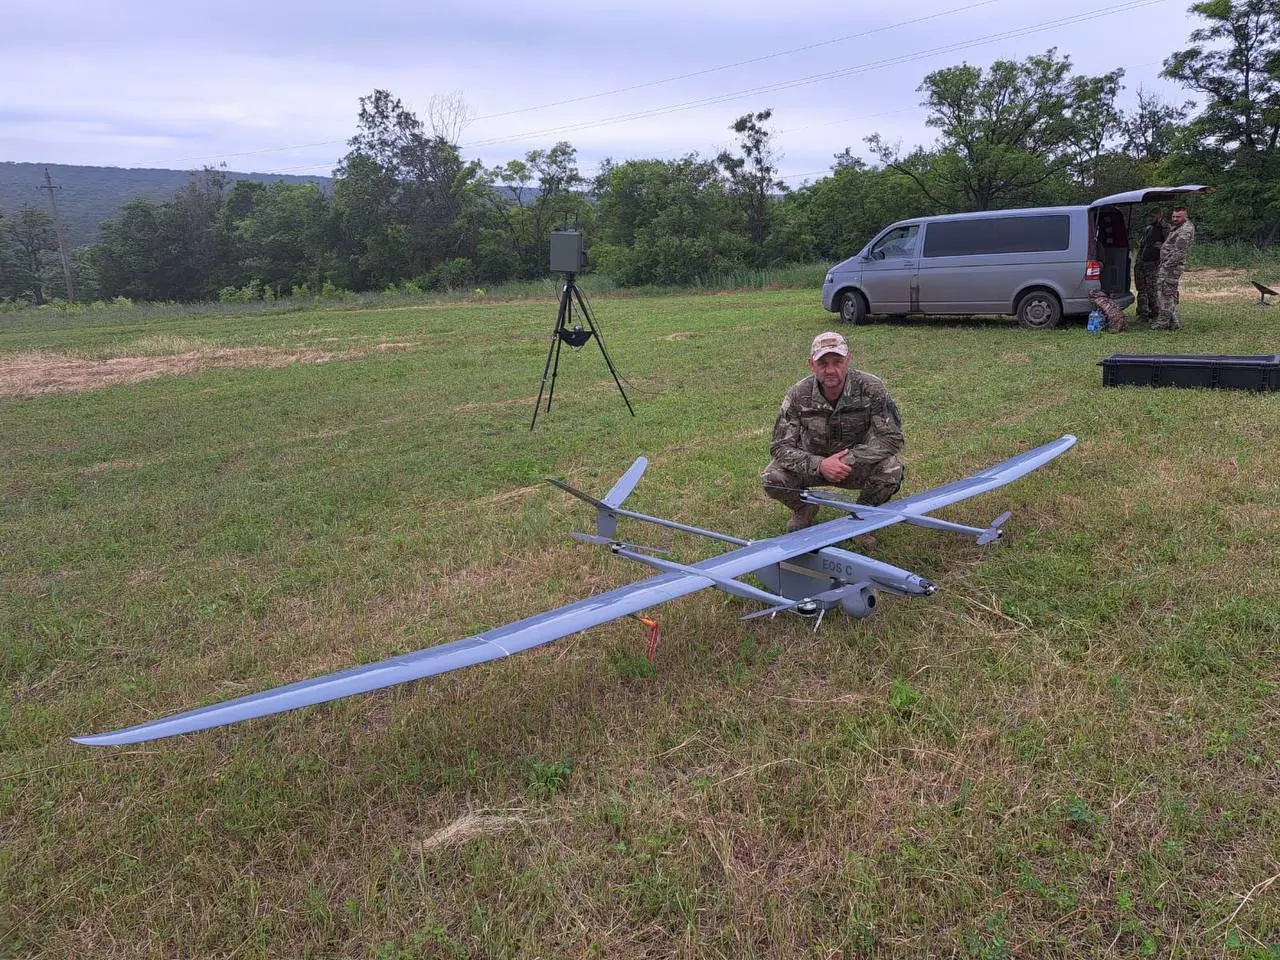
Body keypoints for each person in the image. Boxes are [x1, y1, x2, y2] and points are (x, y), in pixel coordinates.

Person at [763, 331, 904, 532]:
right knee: (772, 477)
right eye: (822, 363)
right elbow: (780, 447)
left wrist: (849, 459)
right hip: (810, 466)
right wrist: (820, 464)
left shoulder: (872, 388)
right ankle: (804, 508)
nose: (830, 370)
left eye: (837, 362)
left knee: (891, 470)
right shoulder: (798, 394)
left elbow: (892, 439)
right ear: (811, 364)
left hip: (853, 466)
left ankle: (862, 516)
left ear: (848, 360)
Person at [1153, 206, 1195, 330]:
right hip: (1169, 266)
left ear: (1185, 216)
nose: (1175, 219)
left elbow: (1179, 253)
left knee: (1165, 294)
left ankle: (1163, 323)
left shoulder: (1186, 229)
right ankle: (1173, 322)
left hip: (1171, 268)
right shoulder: (1178, 227)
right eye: (1173, 216)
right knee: (1169, 293)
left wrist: (1166, 265)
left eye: (1178, 216)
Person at [1134, 208, 1166, 324]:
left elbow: (1172, 245)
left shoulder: (1165, 229)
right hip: (1142, 262)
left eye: (1153, 216)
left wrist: (1163, 246)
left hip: (1153, 264)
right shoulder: (1149, 229)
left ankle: (1156, 314)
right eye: (1150, 216)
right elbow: (1143, 245)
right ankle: (1143, 313)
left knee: (1152, 290)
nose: (1150, 219)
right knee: (1141, 289)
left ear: (1160, 216)